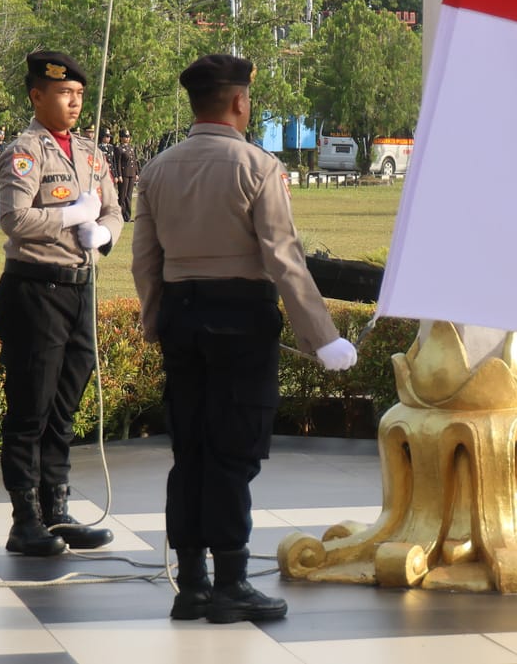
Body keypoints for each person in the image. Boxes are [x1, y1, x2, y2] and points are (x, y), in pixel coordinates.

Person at [131, 54, 355, 624]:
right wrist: (321, 335)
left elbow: (145, 262)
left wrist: (154, 320)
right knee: (233, 452)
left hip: (182, 314)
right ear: (238, 101)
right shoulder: (258, 166)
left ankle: (192, 584)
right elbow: (284, 259)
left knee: (191, 452)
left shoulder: (158, 169)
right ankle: (231, 579)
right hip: (239, 319)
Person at [0, 52, 124, 557]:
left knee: (65, 404)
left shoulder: (91, 154)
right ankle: (25, 518)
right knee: (32, 406)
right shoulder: (26, 152)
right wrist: (70, 216)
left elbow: (114, 209)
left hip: (80, 286)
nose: (74, 103)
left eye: (79, 95)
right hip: (36, 289)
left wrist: (103, 232)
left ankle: (57, 508)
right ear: (37, 96)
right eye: (65, 94)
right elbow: (15, 219)